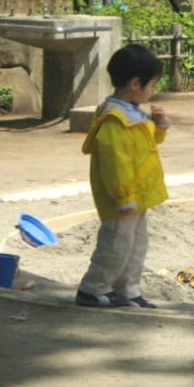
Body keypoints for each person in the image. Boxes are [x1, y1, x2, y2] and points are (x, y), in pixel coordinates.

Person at [75, 44, 171, 309]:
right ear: (135, 83)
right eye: (152, 85)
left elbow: (145, 144)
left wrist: (160, 126)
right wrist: (123, 196)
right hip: (123, 198)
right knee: (116, 245)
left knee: (136, 245)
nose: (153, 91)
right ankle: (92, 288)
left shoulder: (131, 112)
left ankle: (128, 290)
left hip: (137, 196)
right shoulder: (115, 119)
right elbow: (115, 163)